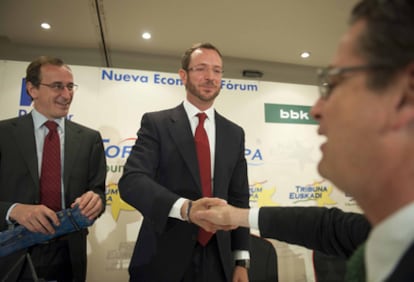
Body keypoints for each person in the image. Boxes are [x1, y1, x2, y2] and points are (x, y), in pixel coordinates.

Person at [195, 0, 414, 281]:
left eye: (333, 84)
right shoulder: (388, 237)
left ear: (404, 95)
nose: (316, 109)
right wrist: (235, 216)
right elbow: (326, 226)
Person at [118, 42, 250, 282]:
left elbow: (239, 198)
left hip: (219, 261)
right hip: (162, 256)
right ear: (183, 75)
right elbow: (132, 182)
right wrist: (186, 209)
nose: (210, 77)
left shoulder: (234, 133)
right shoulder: (156, 124)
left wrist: (240, 260)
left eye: (217, 70)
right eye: (201, 68)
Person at [0, 56, 107, 281]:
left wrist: (96, 201)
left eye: (70, 87)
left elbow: (98, 191)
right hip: (13, 252)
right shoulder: (4, 134)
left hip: (70, 254)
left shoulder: (89, 139)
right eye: (57, 86)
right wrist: (14, 210)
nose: (66, 95)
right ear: (32, 89)